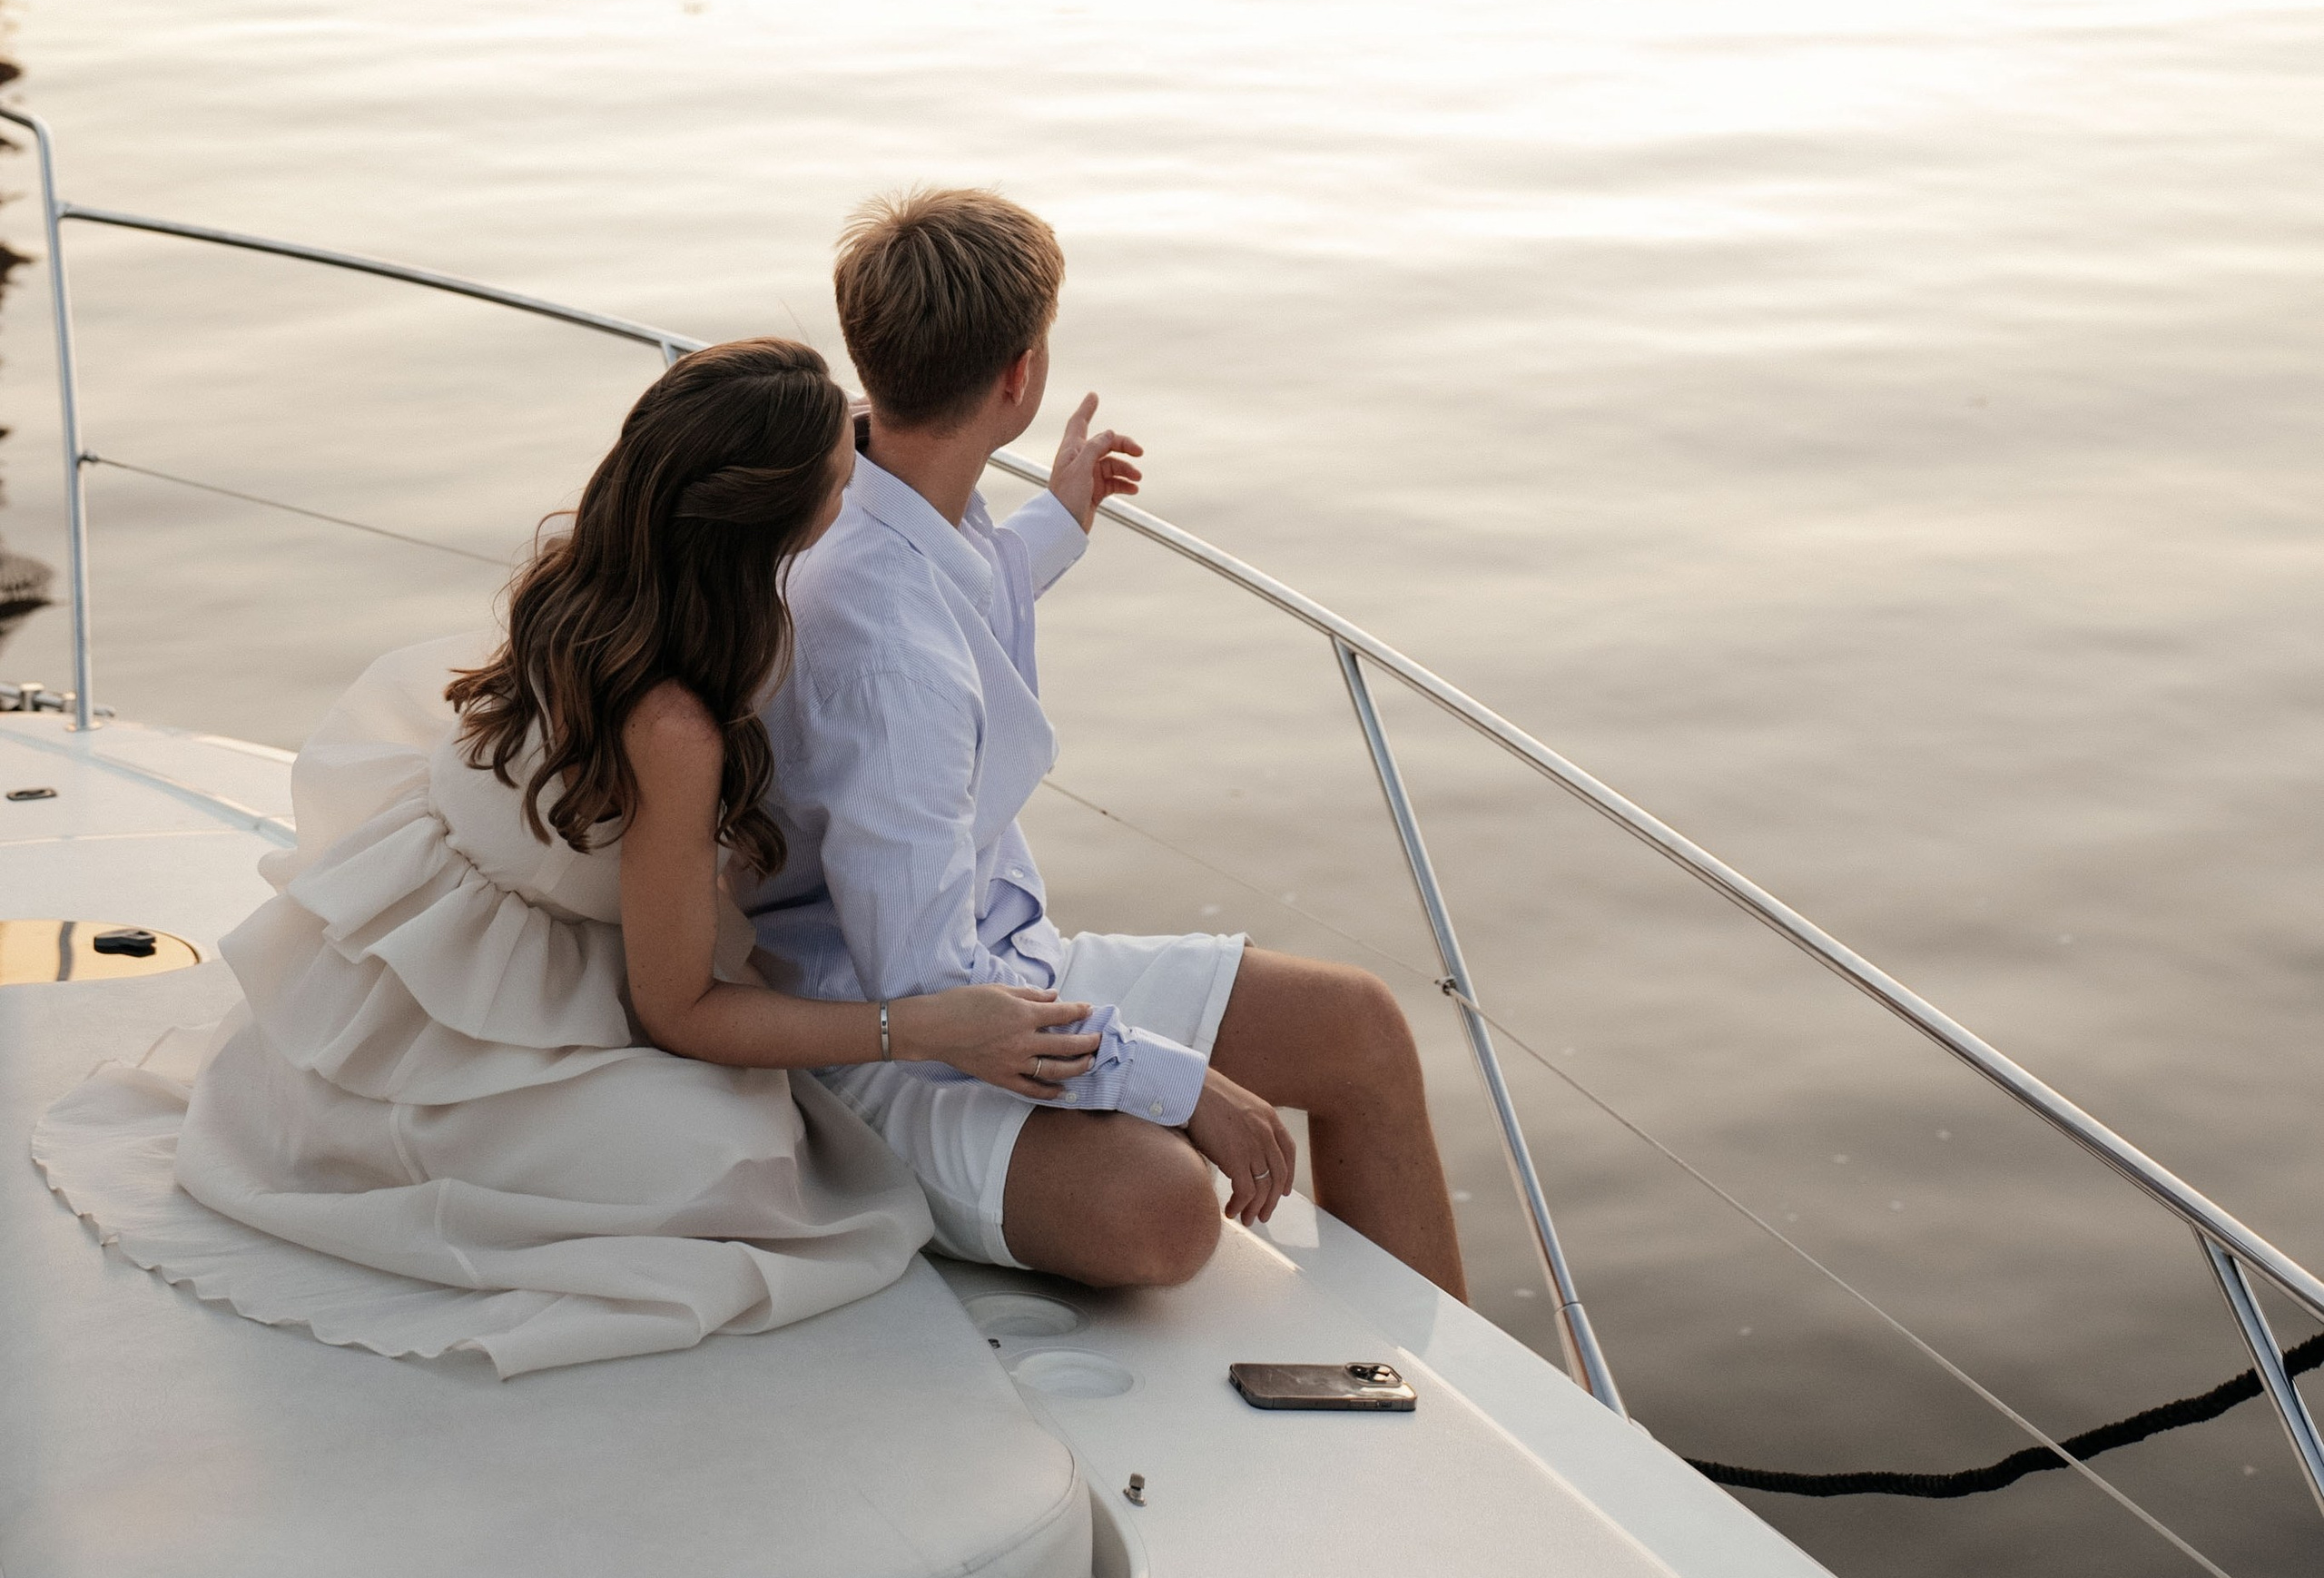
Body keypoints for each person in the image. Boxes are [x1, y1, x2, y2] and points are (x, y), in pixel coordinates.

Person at [32, 337, 1101, 1377]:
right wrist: (915, 1026)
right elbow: (678, 1012)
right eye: (844, 469)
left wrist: (1045, 518)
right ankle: (422, 1138)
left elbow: (872, 483)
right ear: (774, 525)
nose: (863, 471)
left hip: (485, 921)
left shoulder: (607, 571)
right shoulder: (674, 726)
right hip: (471, 994)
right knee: (746, 1163)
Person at [753, 191, 1468, 1299]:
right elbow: (930, 984)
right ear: (1021, 376)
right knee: (1160, 1208)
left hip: (996, 970)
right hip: (881, 1042)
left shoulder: (871, 484)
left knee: (1357, 1029)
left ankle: (1429, 1380)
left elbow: (951, 595)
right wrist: (1172, 1084)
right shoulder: (890, 656)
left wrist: (1059, 518)